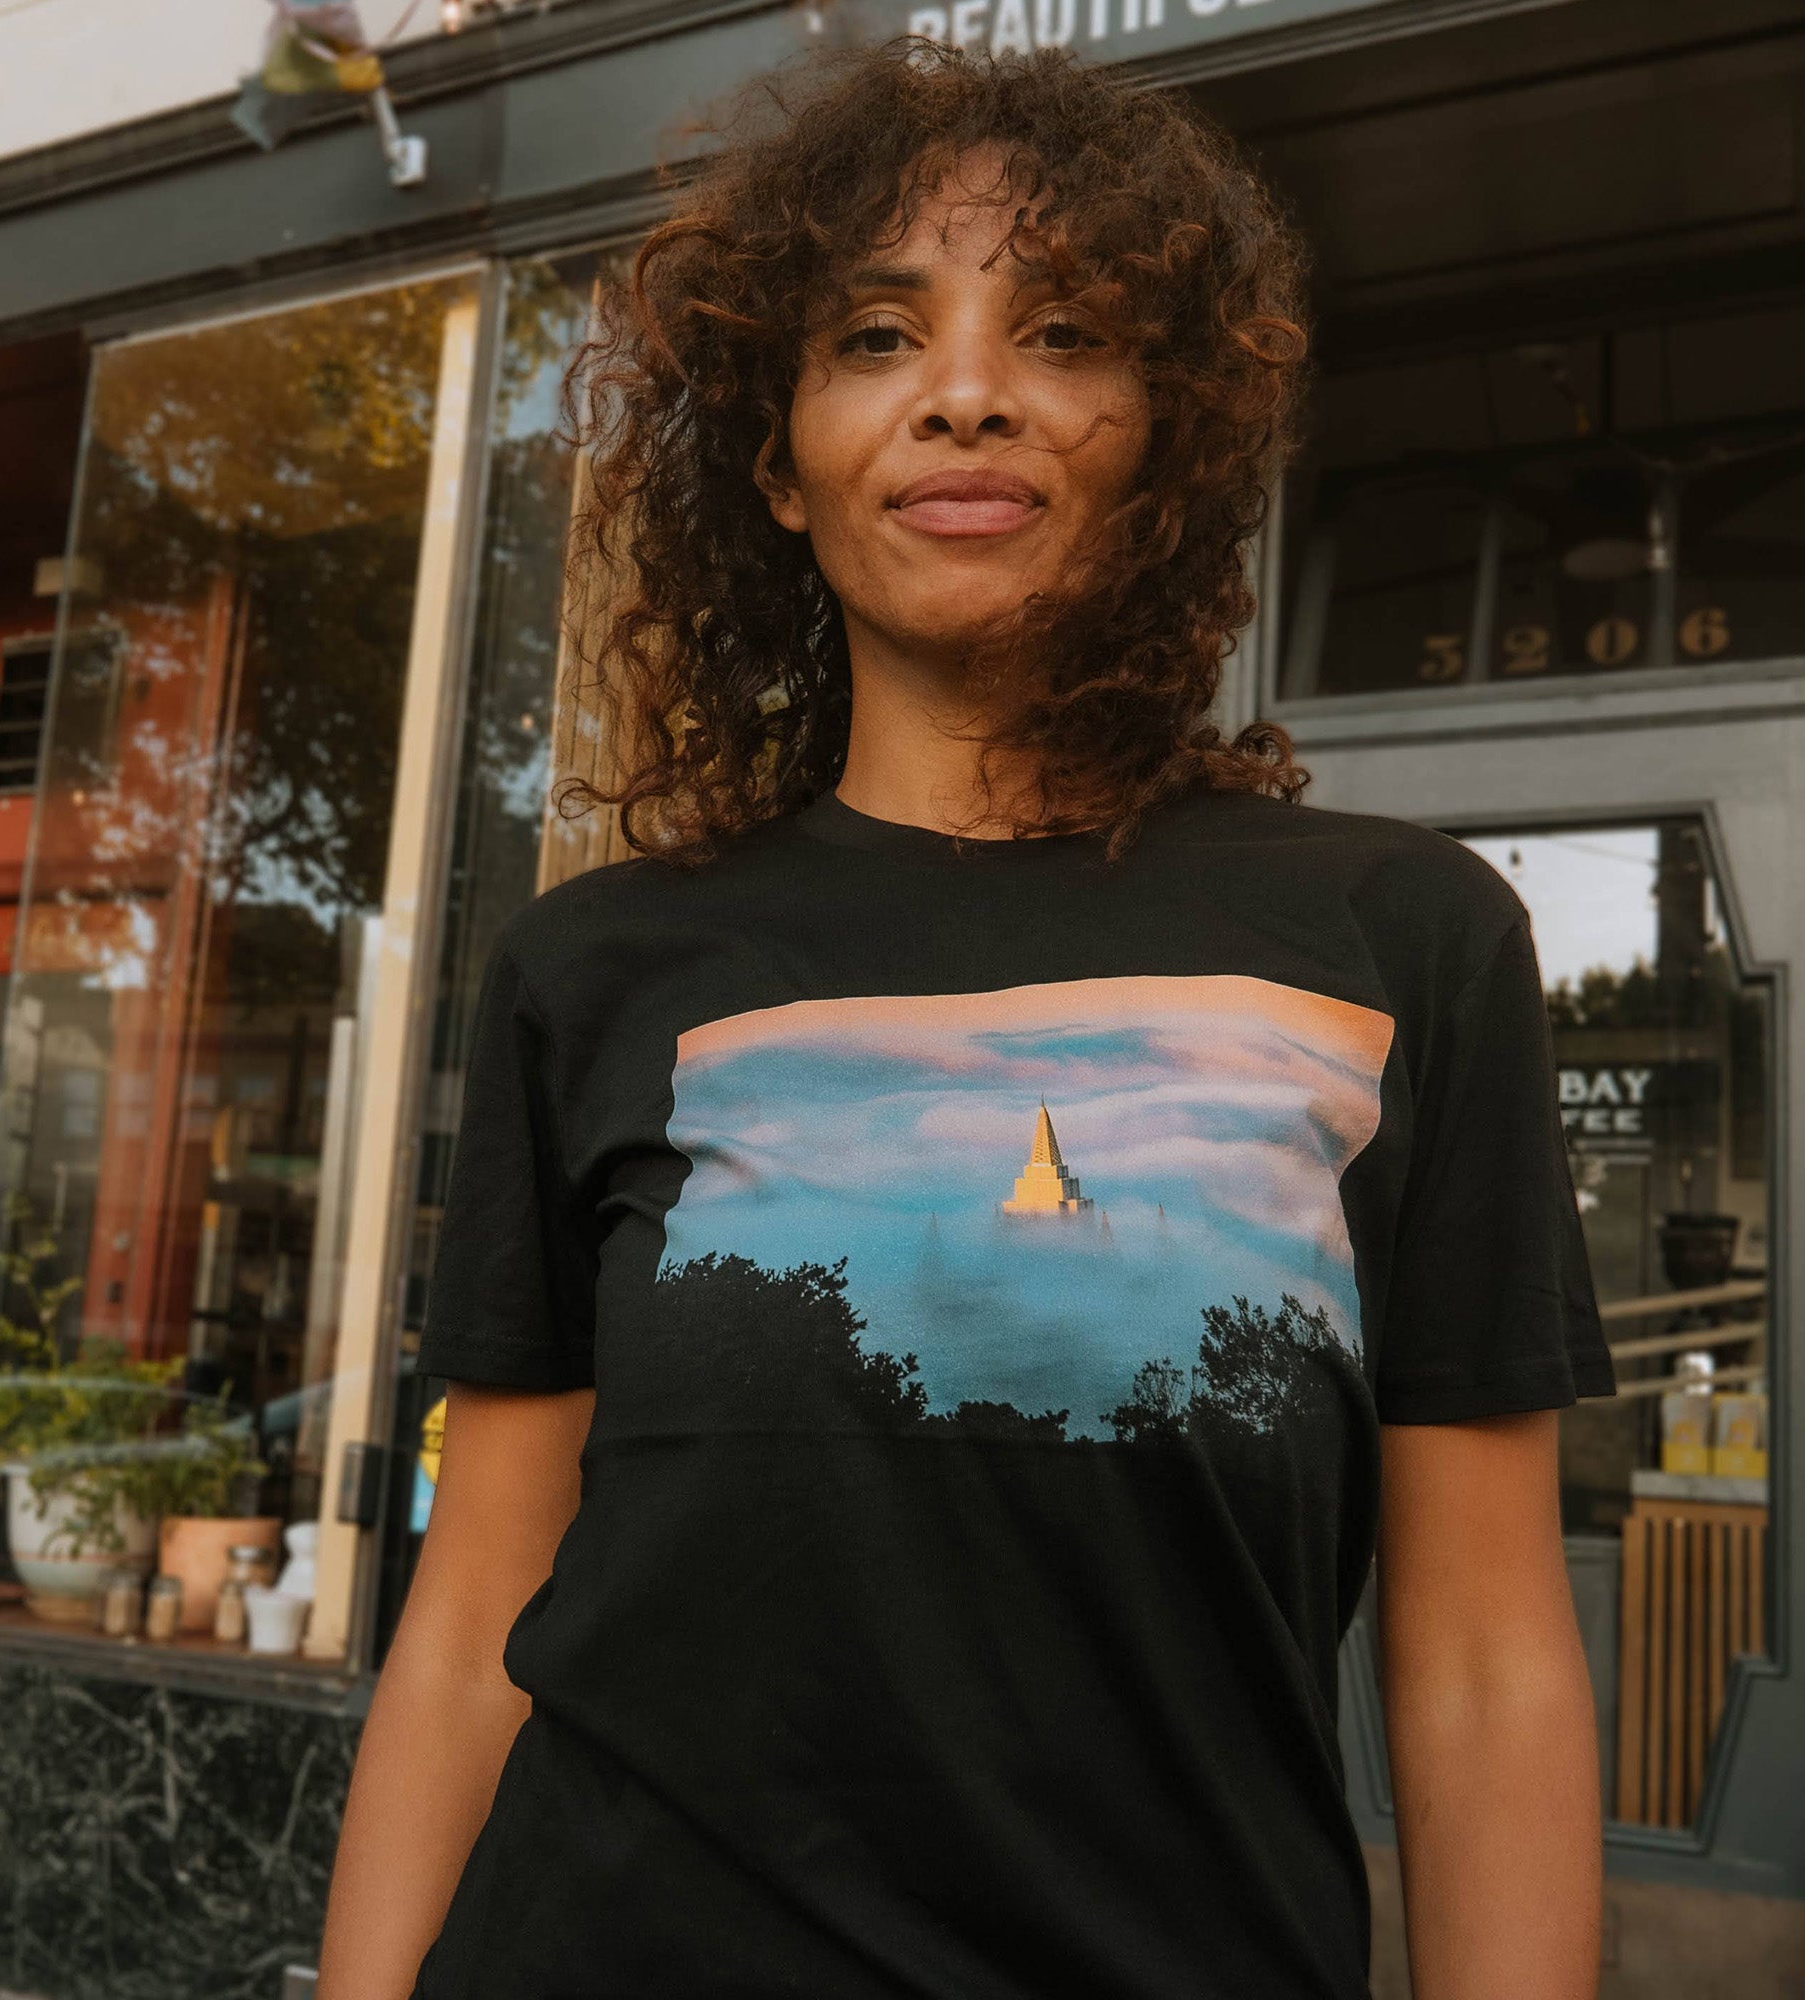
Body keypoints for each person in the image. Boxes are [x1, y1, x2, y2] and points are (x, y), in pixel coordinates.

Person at [319, 40, 1614, 2000]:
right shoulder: (590, 970)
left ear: (1162, 429)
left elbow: (1486, 1662)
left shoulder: (1403, 944)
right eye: (874, 334)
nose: (967, 391)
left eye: (1065, 327)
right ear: (780, 451)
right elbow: (477, 1599)